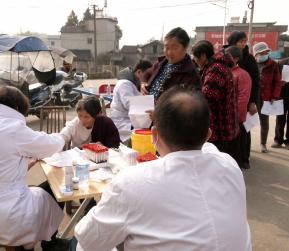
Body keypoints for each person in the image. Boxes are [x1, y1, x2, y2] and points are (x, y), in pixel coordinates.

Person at [74, 87, 251, 251]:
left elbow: (88, 240)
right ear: (208, 135)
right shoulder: (229, 165)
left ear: (155, 135)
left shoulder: (131, 182)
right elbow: (206, 149)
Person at [0, 86, 69, 250]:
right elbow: (50, 145)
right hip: (1, 217)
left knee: (34, 191)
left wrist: (22, 165)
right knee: (55, 190)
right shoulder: (11, 128)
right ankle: (50, 244)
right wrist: (65, 134)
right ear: (17, 108)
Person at [192, 40, 239, 163]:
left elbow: (207, 97)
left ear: (202, 56)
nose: (195, 62)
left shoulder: (216, 69)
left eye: (196, 58)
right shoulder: (216, 66)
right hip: (223, 125)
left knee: (218, 163)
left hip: (220, 127)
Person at [227, 31, 260, 169]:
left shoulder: (249, 59)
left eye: (244, 41)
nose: (242, 43)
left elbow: (256, 82)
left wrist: (253, 102)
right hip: (230, 103)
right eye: (240, 41)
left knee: (244, 130)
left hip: (246, 99)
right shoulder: (225, 54)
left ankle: (244, 158)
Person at [140, 27, 200, 101]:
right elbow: (147, 73)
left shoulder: (191, 75)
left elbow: (191, 107)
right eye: (166, 47)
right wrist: (143, 83)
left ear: (186, 47)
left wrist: (161, 112)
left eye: (174, 48)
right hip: (146, 108)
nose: (169, 52)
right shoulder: (161, 63)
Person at [111, 60, 153, 142]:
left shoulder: (133, 84)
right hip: (122, 123)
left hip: (129, 120)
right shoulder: (124, 84)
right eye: (147, 75)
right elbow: (129, 104)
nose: (149, 77)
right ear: (139, 72)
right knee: (147, 131)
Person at [252, 42, 283, 153]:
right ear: (256, 54)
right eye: (261, 52)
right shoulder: (251, 64)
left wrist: (275, 96)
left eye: (266, 52)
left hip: (265, 98)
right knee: (247, 121)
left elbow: (277, 82)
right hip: (252, 98)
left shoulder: (273, 64)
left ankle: (263, 143)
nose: (265, 54)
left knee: (264, 122)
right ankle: (245, 143)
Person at [226, 46, 252, 167]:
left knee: (239, 143)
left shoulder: (242, 75)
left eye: (228, 57)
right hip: (227, 116)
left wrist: (236, 115)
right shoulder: (226, 72)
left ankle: (240, 164)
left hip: (236, 116)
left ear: (236, 59)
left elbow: (243, 98)